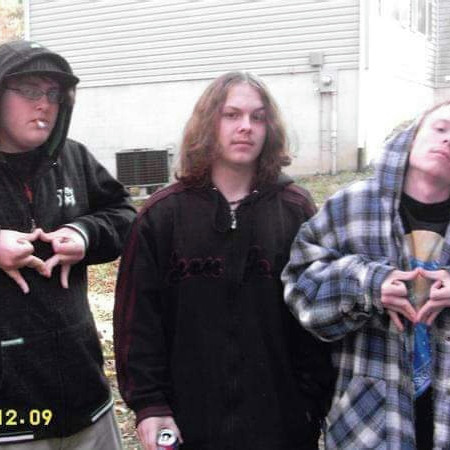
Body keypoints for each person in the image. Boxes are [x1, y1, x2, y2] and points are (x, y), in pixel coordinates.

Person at [114, 71, 335, 450]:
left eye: (257, 117)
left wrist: (310, 404)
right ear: (208, 123)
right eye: (231, 115)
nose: (245, 126)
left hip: (282, 424)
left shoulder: (295, 210)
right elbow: (138, 322)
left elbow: (316, 315)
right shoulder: (161, 217)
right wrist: (150, 405)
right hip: (187, 424)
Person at [282, 100, 450, 449]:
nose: (448, 140)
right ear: (412, 135)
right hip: (369, 422)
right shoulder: (350, 206)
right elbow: (300, 289)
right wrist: (367, 285)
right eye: (440, 128)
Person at [0, 40, 136, 448]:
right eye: (29, 90)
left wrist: (84, 234)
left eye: (53, 93)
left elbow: (125, 216)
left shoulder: (74, 159)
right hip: (9, 418)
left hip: (86, 398)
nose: (44, 104)